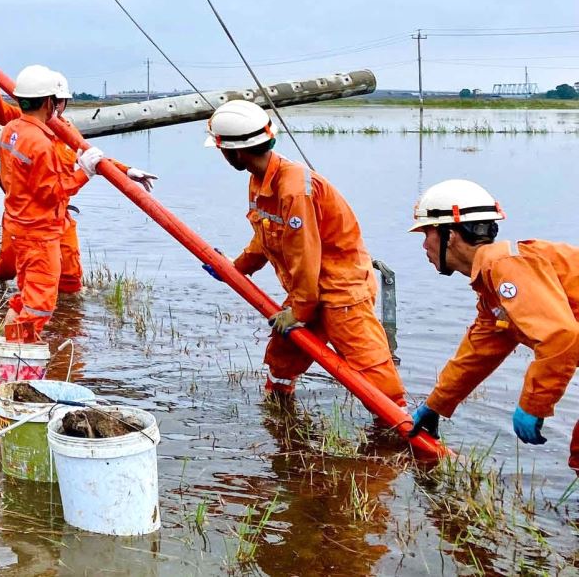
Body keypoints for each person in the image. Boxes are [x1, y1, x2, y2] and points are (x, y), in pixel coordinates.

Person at [203, 99, 404, 406]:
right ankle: (280, 412)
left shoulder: (294, 189)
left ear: (234, 151)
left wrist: (298, 313)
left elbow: (304, 254)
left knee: (372, 372)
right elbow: (265, 238)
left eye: (220, 150)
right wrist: (236, 268)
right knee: (282, 358)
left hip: (342, 291)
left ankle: (400, 432)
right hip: (307, 290)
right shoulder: (260, 182)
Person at [407, 179, 579, 471]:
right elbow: (478, 353)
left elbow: (560, 337)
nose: (424, 245)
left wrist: (532, 405)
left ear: (451, 235)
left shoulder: (507, 268)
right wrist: (435, 405)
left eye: (427, 233)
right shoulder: (491, 285)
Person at [0, 65, 152, 341]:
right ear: (49, 102)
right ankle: (18, 352)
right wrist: (84, 173)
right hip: (40, 229)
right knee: (40, 302)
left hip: (22, 223)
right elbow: (52, 192)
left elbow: (75, 158)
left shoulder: (13, 130)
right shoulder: (40, 142)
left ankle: (11, 338)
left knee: (31, 291)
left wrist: (124, 170)